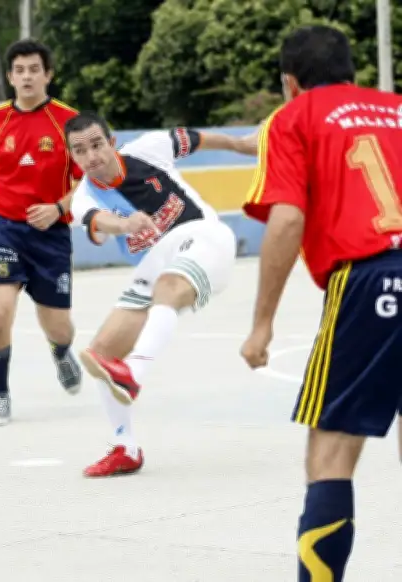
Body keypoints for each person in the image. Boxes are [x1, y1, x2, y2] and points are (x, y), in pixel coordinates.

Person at [240, 24, 402, 582]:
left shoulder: (293, 118)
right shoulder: (399, 109)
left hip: (370, 282)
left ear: (289, 83)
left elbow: (287, 219)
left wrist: (262, 324)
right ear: (355, 73)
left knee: (330, 452)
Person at [64, 111, 257, 477]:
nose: (91, 156)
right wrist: (124, 223)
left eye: (96, 144)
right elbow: (97, 221)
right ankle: (125, 446)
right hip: (157, 261)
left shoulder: (149, 149)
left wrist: (242, 145)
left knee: (167, 287)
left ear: (112, 141)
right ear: (72, 157)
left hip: (204, 237)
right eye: (80, 151)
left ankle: (134, 372)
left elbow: (198, 139)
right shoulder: (83, 199)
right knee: (101, 353)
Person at [0, 39, 84, 426]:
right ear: (9, 77)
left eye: (34, 69)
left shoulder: (69, 122)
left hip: (52, 234)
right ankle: (0, 395)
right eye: (19, 70)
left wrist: (59, 207)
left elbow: (88, 181)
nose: (26, 77)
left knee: (57, 324)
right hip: (4, 228)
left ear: (48, 75)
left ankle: (61, 352)